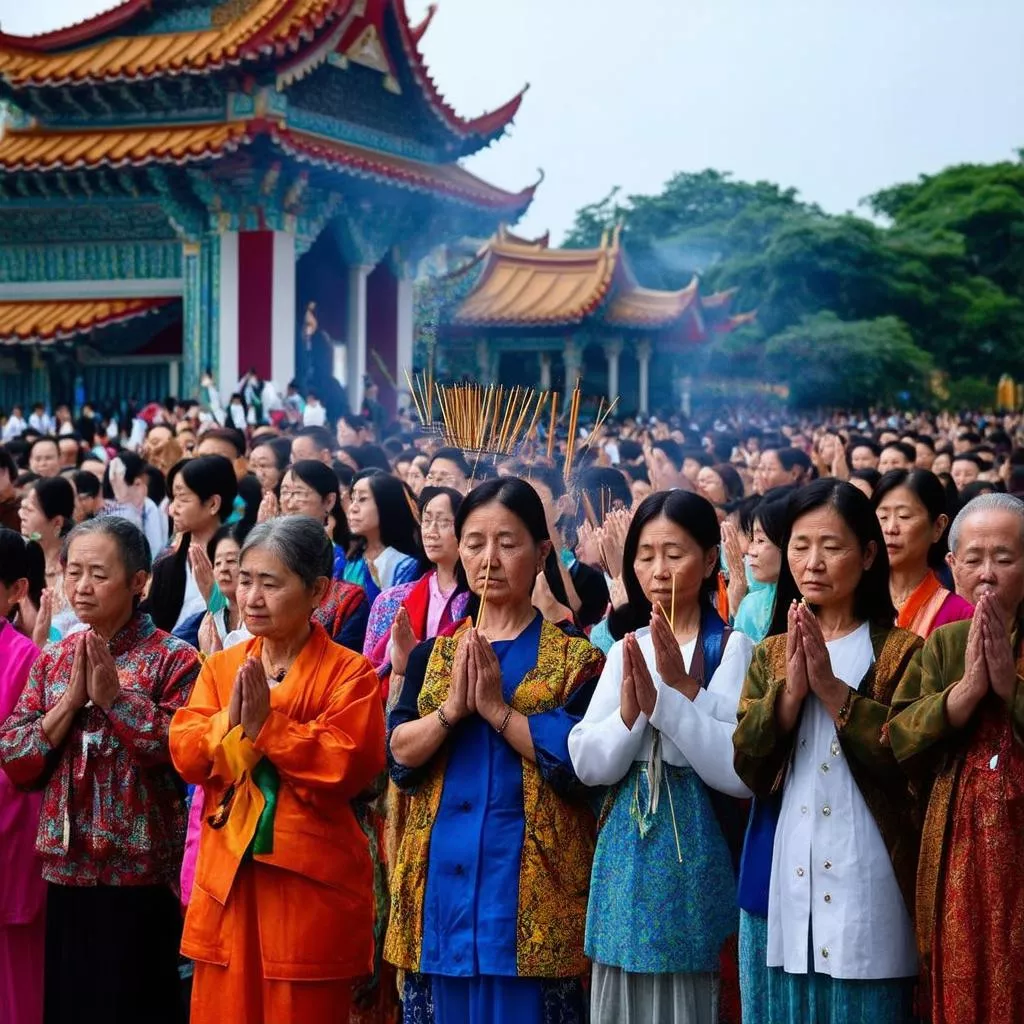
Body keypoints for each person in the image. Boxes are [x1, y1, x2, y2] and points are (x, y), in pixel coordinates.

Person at [385, 477, 605, 1023]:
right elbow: (398, 757)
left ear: (542, 553)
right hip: (437, 893)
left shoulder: (576, 658)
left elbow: (577, 767)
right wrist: (451, 713)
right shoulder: (432, 655)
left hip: (532, 892)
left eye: (508, 543)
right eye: (475, 542)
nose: (489, 559)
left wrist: (498, 711)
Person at [169, 517, 386, 1024]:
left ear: (317, 591)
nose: (252, 597)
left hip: (306, 886)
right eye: (246, 580)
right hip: (229, 882)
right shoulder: (224, 667)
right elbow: (186, 751)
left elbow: (347, 764)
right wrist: (233, 720)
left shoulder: (348, 673)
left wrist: (269, 725)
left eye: (271, 583)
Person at [732, 480, 921, 1023]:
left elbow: (911, 763)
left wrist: (835, 694)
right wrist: (790, 694)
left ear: (866, 555)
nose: (812, 562)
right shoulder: (771, 654)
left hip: (870, 875)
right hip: (787, 875)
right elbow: (748, 763)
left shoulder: (901, 652)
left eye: (831, 547)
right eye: (799, 545)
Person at [0, 518, 200, 1024]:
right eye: (73, 573)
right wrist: (68, 704)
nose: (81, 587)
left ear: (139, 581)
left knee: (136, 1004)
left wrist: (115, 700)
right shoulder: (55, 660)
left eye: (98, 574)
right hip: (66, 871)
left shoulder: (175, 659)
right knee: (70, 1004)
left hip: (142, 874)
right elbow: (16, 758)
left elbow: (180, 750)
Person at [568, 490, 753, 1024]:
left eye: (675, 553)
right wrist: (631, 717)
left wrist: (670, 696)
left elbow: (735, 770)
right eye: (645, 555)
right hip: (627, 845)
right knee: (622, 983)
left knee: (690, 984)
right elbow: (587, 761)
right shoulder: (629, 643)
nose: (658, 569)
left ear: (710, 559)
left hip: (694, 842)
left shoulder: (732, 649)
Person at [888, 494, 1024, 1024]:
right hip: (957, 850)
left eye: (1005, 558)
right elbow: (898, 740)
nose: (987, 574)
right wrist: (964, 692)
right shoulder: (943, 644)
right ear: (953, 566)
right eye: (974, 559)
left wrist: (1010, 688)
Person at [364, 486, 471, 699]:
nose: (431, 531)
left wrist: (414, 656)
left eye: (443, 522)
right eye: (427, 520)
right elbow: (368, 670)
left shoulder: (476, 600)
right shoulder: (391, 600)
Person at [0, 531, 45, 1024]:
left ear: (16, 591)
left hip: (9, 843)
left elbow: (27, 759)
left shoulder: (27, 660)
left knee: (16, 988)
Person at [145, 455, 240, 635]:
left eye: (182, 498)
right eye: (173, 499)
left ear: (213, 503)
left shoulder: (241, 559)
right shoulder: (166, 566)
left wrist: (214, 596)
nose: (173, 509)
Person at [873, 469, 973, 637]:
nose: (890, 529)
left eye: (904, 516)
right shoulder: (856, 602)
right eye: (882, 517)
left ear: (938, 526)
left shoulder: (960, 616)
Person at [343, 470, 423, 604]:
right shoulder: (353, 560)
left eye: (362, 499)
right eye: (352, 499)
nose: (352, 508)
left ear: (385, 504)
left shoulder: (406, 567)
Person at [19, 476, 76, 639]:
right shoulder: (21, 560)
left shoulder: (74, 570)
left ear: (57, 522)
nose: (21, 515)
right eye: (22, 508)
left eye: (29, 510)